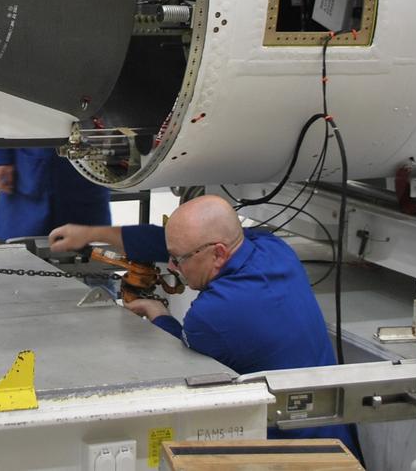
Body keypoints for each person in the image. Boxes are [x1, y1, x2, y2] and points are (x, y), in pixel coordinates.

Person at [49, 195, 358, 455]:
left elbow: (178, 359)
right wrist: (89, 234)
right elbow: (174, 242)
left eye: (177, 260)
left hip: (291, 455)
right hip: (339, 442)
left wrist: (159, 315)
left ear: (218, 254)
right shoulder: (274, 249)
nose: (171, 267)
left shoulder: (213, 315)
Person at [0, 147, 111, 240]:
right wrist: (1, 157)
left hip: (87, 167)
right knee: (16, 257)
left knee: (91, 258)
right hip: (30, 170)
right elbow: (6, 104)